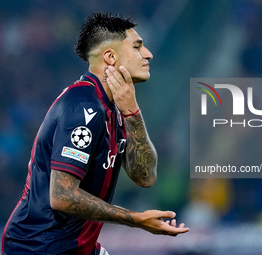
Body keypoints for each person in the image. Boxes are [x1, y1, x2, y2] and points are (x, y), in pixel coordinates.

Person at [1, 12, 189, 255]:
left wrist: (133, 113)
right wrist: (135, 219)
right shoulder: (83, 106)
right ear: (110, 57)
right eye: (137, 46)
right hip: (38, 248)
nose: (148, 54)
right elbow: (62, 195)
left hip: (75, 247)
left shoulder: (116, 109)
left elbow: (145, 177)